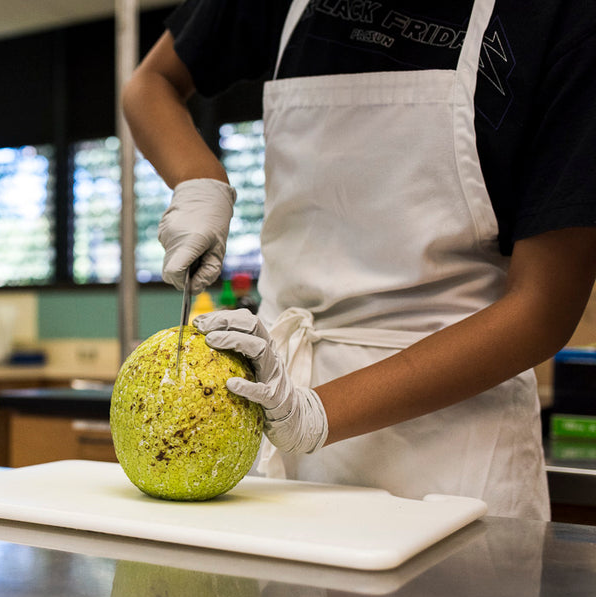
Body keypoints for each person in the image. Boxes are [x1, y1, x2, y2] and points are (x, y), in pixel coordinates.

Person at [123, 0, 596, 519]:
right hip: (275, 404)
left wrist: (316, 413)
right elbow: (151, 84)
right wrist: (199, 181)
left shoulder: (563, 18)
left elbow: (543, 308)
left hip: (451, 453)